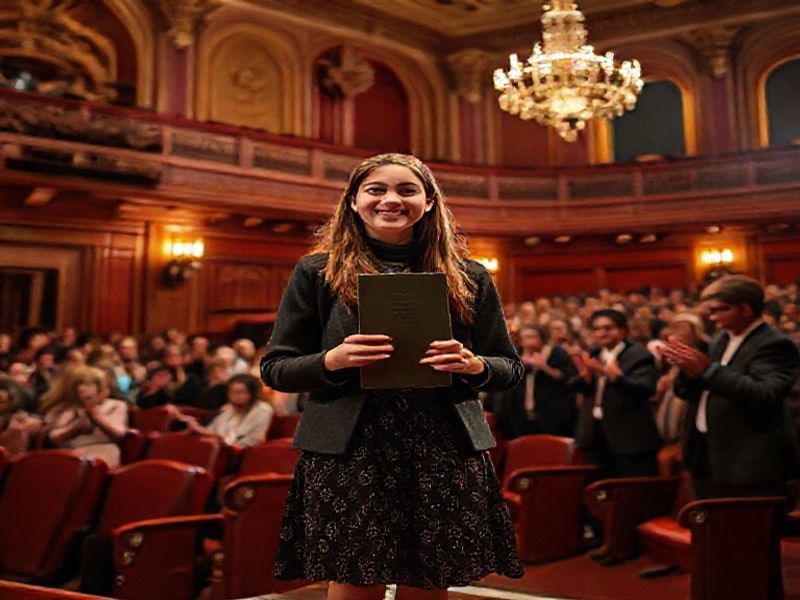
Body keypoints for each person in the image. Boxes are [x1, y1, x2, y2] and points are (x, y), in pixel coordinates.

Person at [260, 153, 523, 600]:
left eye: (407, 190)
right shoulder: (316, 272)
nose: (391, 200)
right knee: (354, 580)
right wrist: (333, 360)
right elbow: (276, 368)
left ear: (429, 202)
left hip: (441, 444)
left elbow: (509, 368)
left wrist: (473, 365)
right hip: (350, 447)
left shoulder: (471, 276)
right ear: (354, 202)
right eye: (376, 189)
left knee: (428, 581)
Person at [663, 275, 800, 500]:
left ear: (745, 309)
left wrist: (707, 370)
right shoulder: (721, 339)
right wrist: (687, 371)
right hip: (708, 455)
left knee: (746, 533)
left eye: (719, 310)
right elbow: (696, 389)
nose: (712, 317)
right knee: (713, 531)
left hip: (748, 463)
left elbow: (763, 393)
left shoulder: (773, 344)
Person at [571, 309, 661, 479]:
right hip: (596, 432)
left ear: (622, 330)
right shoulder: (596, 353)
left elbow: (646, 389)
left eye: (608, 328)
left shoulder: (637, 354)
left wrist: (618, 378)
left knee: (634, 491)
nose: (602, 333)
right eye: (597, 329)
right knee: (601, 488)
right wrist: (585, 379)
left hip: (629, 436)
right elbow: (579, 388)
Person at [491, 325, 577, 439]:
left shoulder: (556, 352)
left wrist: (543, 366)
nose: (529, 341)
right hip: (521, 414)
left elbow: (565, 377)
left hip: (551, 413)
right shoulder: (515, 354)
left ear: (541, 338)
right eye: (525, 337)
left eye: (532, 337)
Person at [42, 366, 128, 468]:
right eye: (80, 395)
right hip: (72, 451)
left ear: (103, 391)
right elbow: (54, 437)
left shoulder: (116, 405)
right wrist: (75, 427)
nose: (85, 401)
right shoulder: (67, 408)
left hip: (104, 448)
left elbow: (119, 434)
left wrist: (97, 419)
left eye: (90, 397)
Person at [184, 373, 273, 447]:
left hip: (243, 454)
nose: (235, 396)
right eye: (232, 392)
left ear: (251, 394)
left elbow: (251, 441)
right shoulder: (227, 409)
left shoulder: (262, 410)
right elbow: (210, 431)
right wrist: (197, 429)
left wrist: (207, 434)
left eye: (240, 392)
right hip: (217, 449)